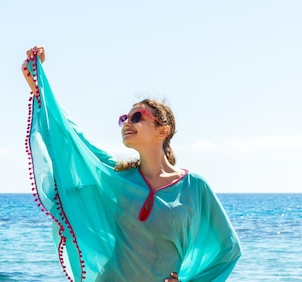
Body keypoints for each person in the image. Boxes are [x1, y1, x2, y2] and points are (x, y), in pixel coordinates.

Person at [21, 46, 241, 282]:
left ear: (163, 131)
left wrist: (189, 281)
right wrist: (38, 85)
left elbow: (228, 249)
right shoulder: (118, 175)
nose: (127, 122)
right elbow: (72, 138)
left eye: (137, 117)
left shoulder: (194, 187)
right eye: (124, 118)